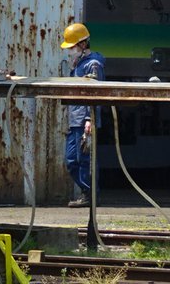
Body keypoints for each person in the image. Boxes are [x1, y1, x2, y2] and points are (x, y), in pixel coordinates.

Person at [60, 22, 105, 207]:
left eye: (72, 47)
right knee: (71, 160)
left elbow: (96, 93)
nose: (70, 50)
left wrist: (89, 119)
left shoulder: (93, 65)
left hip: (85, 120)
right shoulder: (78, 64)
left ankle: (90, 195)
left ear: (83, 44)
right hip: (74, 120)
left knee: (85, 159)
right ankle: (87, 192)